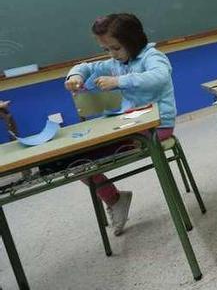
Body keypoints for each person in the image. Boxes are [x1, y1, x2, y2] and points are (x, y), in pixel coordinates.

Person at [64, 13, 176, 236]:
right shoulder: (116, 62)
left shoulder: (152, 57)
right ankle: (114, 199)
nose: (111, 55)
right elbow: (86, 67)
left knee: (83, 160)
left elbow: (159, 77)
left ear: (132, 41)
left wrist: (119, 82)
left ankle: (113, 199)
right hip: (130, 126)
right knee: (75, 161)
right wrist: (75, 76)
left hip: (156, 128)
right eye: (106, 50)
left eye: (115, 48)